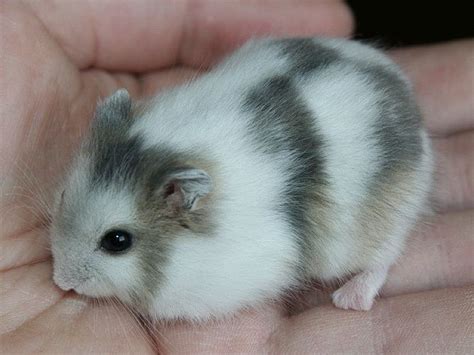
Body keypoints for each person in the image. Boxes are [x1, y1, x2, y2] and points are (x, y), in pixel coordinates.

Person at [0, 1, 472, 353]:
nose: (65, 277)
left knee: (333, 253)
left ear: (181, 199)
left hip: (374, 138)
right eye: (65, 202)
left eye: (118, 241)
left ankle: (381, 257)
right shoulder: (151, 126)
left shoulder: (216, 215)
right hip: (309, 77)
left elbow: (271, 258)